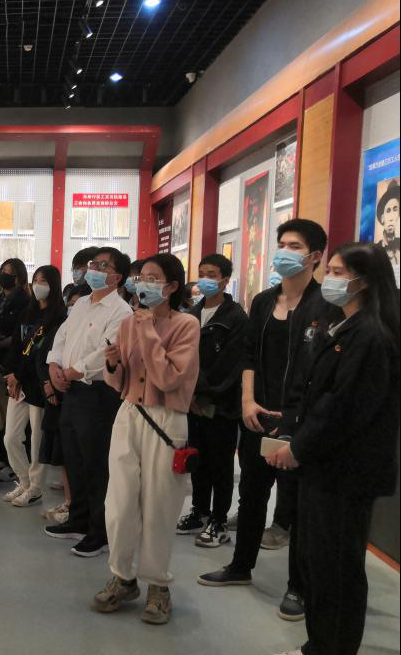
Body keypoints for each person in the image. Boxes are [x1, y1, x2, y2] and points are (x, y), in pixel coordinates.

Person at [199, 218, 340, 623]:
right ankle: (240, 566)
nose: (284, 252)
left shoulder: (326, 307)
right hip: (256, 416)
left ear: (315, 256)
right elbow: (248, 356)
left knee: (297, 507)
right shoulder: (262, 301)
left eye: (294, 246)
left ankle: (299, 586)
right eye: (282, 243)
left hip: (299, 422)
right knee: (252, 495)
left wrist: (296, 418)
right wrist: (247, 401)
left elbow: (326, 372)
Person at [267, 242, 399, 655]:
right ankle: (320, 644)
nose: (331, 280)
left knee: (338, 570)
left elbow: (343, 407)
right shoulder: (341, 327)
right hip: (324, 468)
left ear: (365, 280)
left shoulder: (370, 335)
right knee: (319, 565)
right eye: (332, 271)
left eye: (340, 272)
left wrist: (299, 448)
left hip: (346, 472)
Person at [94, 253, 199, 625]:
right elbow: (118, 380)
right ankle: (122, 577)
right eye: (141, 277)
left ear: (171, 286)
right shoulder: (128, 323)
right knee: (119, 502)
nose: (144, 284)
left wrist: (149, 330)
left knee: (159, 505)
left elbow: (169, 378)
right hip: (129, 413)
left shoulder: (186, 325)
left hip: (166, 419)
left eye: (154, 278)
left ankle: (157, 584)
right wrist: (112, 363)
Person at [44, 247, 133, 557]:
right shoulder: (82, 303)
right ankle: (78, 518)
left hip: (97, 394)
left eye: (103, 265)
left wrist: (71, 371)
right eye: (94, 263)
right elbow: (62, 337)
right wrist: (54, 366)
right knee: (74, 458)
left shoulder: (121, 311)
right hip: (71, 391)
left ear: (117, 277)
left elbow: (105, 353)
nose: (94, 268)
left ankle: (100, 531)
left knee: (96, 463)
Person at [176, 253, 248, 548]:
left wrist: (204, 394)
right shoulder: (191, 314)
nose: (205, 279)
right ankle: (199, 510)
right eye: (202, 273)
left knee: (220, 464)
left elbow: (232, 365)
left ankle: (218, 520)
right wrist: (189, 395)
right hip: (192, 402)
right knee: (199, 460)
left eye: (212, 274)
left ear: (225, 280)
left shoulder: (236, 318)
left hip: (221, 405)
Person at [1, 265, 66, 507]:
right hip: (18, 383)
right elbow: (16, 346)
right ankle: (24, 480)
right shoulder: (27, 312)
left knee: (37, 439)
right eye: (36, 280)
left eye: (44, 281)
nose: (38, 285)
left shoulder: (59, 316)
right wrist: (11, 374)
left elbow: (42, 353)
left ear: (54, 285)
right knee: (10, 437)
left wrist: (18, 375)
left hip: (39, 384)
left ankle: (36, 488)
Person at [38, 281, 92, 523]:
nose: (74, 307)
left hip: (81, 391)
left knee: (82, 456)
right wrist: (51, 377)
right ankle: (70, 503)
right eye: (71, 303)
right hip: (58, 392)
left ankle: (79, 507)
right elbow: (47, 354)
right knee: (65, 454)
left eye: (78, 303)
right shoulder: (64, 326)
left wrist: (67, 374)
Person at [0, 258, 31, 480]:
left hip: (11, 360)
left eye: (9, 272)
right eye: (2, 270)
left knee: (12, 415)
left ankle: (16, 463)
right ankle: (1, 457)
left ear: (19, 277)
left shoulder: (25, 302)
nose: (3, 275)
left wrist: (0, 343)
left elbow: (21, 335)